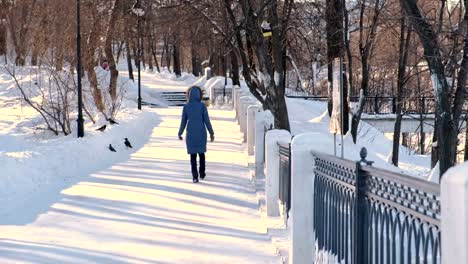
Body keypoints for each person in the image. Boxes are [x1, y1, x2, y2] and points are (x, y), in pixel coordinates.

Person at [178, 86, 214, 183]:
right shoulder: (202, 106)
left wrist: (180, 132)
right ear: (199, 95)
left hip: (190, 134)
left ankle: (195, 176)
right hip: (201, 133)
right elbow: (207, 121)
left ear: (188, 95)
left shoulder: (186, 107)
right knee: (201, 154)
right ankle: (202, 172)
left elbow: (183, 122)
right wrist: (211, 133)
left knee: (193, 156)